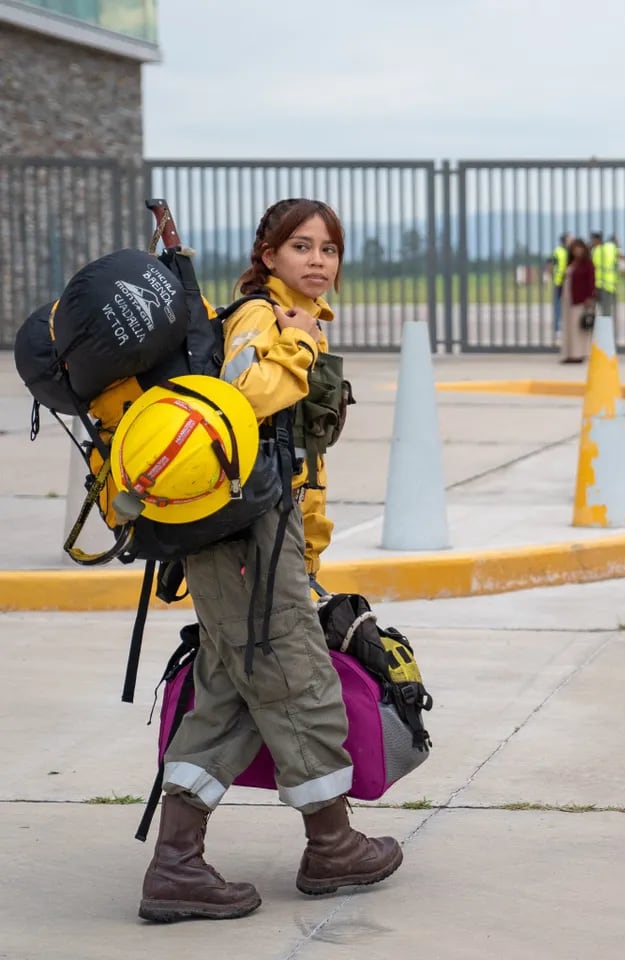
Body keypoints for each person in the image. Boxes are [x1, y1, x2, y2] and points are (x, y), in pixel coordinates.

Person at [138, 198, 403, 923]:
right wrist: (301, 343)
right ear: (268, 253)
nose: (319, 261)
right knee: (295, 673)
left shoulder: (288, 315)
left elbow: (295, 454)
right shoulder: (263, 318)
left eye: (330, 249)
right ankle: (332, 844)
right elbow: (244, 397)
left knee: (228, 689)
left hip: (258, 533)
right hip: (246, 538)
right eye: (301, 247)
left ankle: (177, 866)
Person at [560, 237, 595, 363]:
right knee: (568, 326)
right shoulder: (571, 263)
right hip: (568, 298)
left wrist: (590, 297)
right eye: (575, 249)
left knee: (578, 328)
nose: (577, 252)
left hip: (580, 299)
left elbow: (591, 281)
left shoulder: (587, 264)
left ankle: (579, 354)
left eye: (579, 249)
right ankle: (569, 354)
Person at [546, 232, 571, 335]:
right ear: (565, 240)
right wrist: (552, 275)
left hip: (569, 282)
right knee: (557, 306)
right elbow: (550, 264)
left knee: (569, 306)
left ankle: (567, 326)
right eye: (569, 239)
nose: (571, 241)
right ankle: (557, 328)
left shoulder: (570, 251)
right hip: (559, 282)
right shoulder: (558, 251)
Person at [589, 230, 619, 317]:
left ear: (597, 240)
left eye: (592, 240)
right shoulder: (611, 247)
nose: (592, 242)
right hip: (607, 286)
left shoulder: (594, 250)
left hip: (599, 286)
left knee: (599, 312)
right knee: (606, 312)